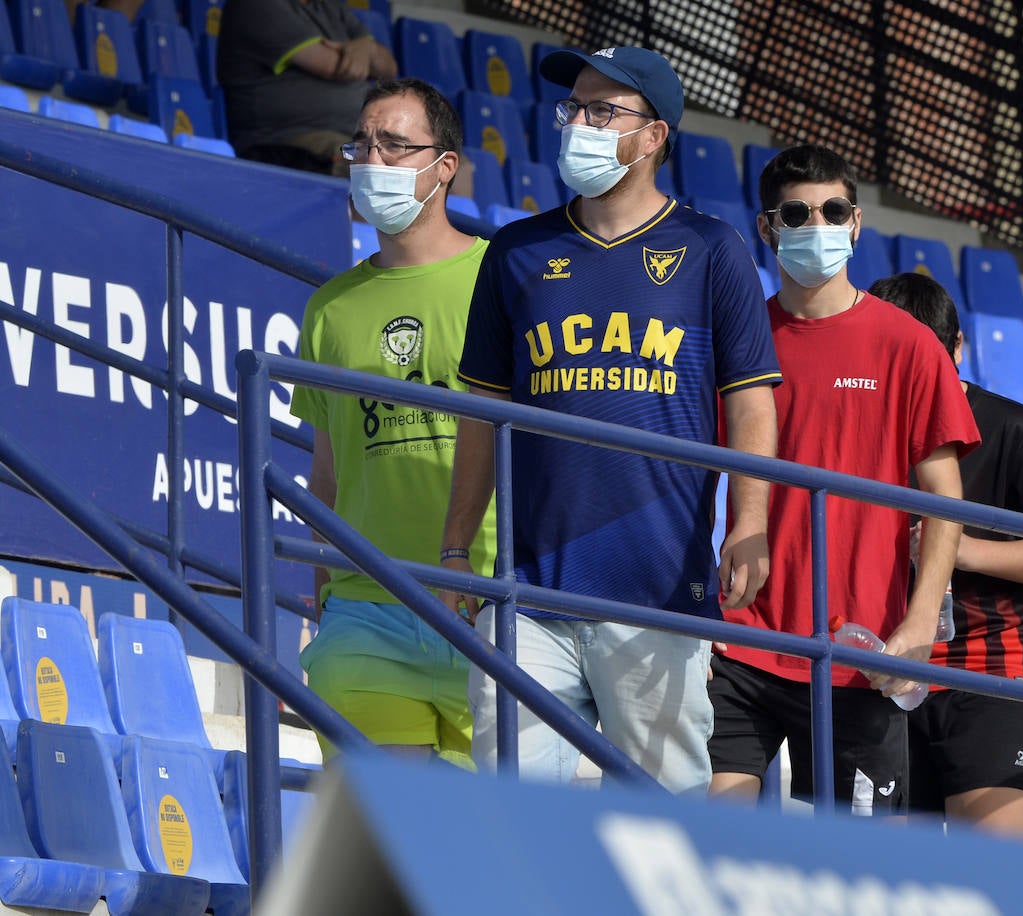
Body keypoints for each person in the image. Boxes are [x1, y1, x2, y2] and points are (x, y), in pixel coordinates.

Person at [440, 46, 780, 795]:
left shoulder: (711, 250)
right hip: (527, 588)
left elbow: (752, 400)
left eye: (602, 111)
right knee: (519, 823)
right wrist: (457, 546)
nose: (578, 125)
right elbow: (481, 411)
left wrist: (748, 524)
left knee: (667, 832)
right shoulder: (517, 251)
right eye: (573, 109)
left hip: (658, 589)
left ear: (654, 136)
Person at [707, 145, 981, 815]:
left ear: (857, 224)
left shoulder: (908, 344)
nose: (818, 226)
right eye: (797, 213)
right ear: (768, 228)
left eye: (834, 211)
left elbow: (944, 499)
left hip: (861, 653)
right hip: (744, 640)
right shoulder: (736, 338)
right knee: (708, 841)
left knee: (856, 877)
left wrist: (920, 621)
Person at [291, 78, 495, 767]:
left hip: (488, 605)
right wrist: (323, 603)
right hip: (365, 609)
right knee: (386, 847)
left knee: (480, 857)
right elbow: (327, 472)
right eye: (363, 143)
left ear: (445, 168)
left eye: (396, 145)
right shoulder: (330, 307)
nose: (372, 160)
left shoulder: (500, 280)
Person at [868, 271, 1023, 839]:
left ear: (957, 349)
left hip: (991, 669)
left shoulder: (1015, 429)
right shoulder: (865, 426)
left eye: (928, 359)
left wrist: (964, 550)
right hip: (888, 670)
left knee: (993, 883)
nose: (914, 378)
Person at [217, 0, 397, 175]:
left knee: (414, 160)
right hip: (288, 143)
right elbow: (336, 66)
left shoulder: (330, 6)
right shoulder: (256, 5)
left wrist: (366, 47)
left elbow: (389, 67)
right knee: (394, 173)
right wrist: (367, 50)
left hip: (352, 137)